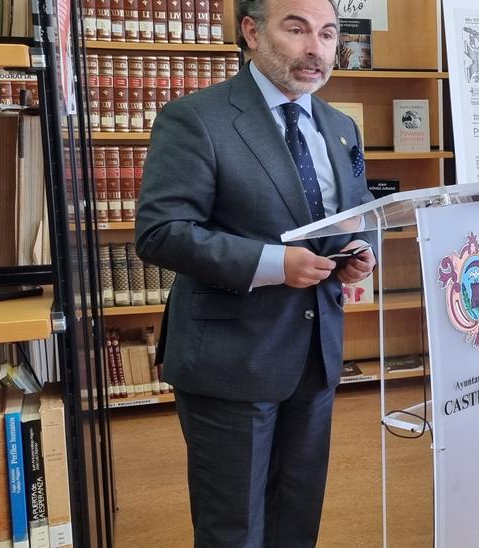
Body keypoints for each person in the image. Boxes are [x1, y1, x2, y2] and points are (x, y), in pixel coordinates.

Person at [134, 0, 377, 544]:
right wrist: (274, 264)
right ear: (251, 31)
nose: (317, 48)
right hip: (231, 360)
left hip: (315, 356)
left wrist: (360, 250)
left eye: (329, 33)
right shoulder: (197, 118)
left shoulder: (339, 126)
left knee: (297, 519)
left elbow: (358, 209)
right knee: (235, 529)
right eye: (297, 30)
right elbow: (161, 231)